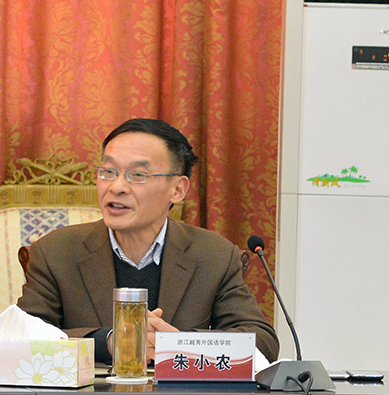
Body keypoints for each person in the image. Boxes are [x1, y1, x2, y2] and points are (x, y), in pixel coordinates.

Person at [17, 118, 279, 363]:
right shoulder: (56, 252)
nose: (116, 187)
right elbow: (20, 338)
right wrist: (109, 342)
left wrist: (178, 343)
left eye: (138, 175)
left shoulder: (214, 255)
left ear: (177, 189)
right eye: (108, 171)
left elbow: (262, 342)